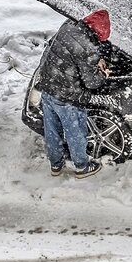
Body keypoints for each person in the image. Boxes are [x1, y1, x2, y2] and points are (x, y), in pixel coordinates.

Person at [35, 9, 112, 179]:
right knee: (75, 132)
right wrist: (102, 73)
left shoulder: (68, 25)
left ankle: (56, 165)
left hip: (48, 88)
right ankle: (82, 167)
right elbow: (91, 82)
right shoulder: (88, 48)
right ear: (98, 32)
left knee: (52, 131)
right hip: (67, 96)